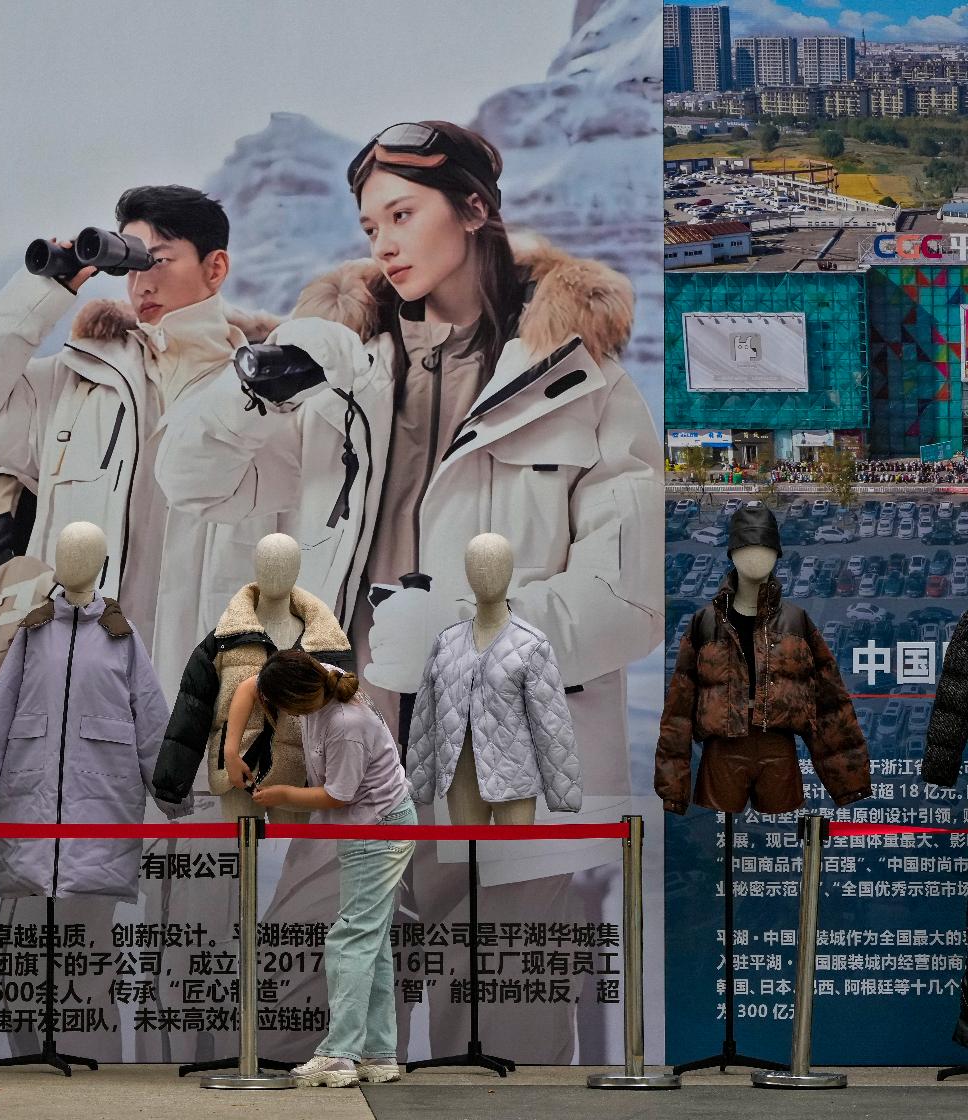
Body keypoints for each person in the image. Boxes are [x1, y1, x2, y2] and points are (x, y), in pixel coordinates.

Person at [156, 120, 664, 1061]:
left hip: (498, 748)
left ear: (473, 209)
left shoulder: (585, 385)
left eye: (402, 213)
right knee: (300, 1003)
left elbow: (629, 600)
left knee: (502, 1029)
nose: (382, 243)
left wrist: (473, 626)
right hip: (352, 729)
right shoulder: (336, 371)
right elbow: (191, 482)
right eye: (367, 226)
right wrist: (255, 386)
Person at [0, 185, 278, 700]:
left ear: (215, 269)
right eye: (132, 264)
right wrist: (39, 291)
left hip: (210, 704)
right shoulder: (73, 387)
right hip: (79, 695)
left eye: (159, 260)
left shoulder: (268, 398)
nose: (141, 282)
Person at [226, 651, 414, 1089]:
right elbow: (249, 687)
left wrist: (283, 794)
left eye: (283, 708)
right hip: (373, 826)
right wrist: (233, 750)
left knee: (350, 937)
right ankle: (379, 1054)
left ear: (298, 700)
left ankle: (339, 1053)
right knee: (371, 940)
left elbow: (338, 795)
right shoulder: (320, 676)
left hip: (378, 828)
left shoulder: (347, 724)